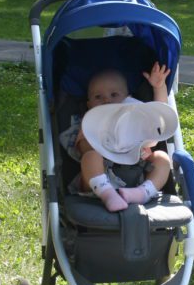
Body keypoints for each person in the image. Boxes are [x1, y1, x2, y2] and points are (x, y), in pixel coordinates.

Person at [60, 62, 174, 212]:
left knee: (162, 158)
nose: (106, 100)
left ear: (128, 98)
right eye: (98, 97)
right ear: (89, 105)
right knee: (91, 156)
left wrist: (159, 87)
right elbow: (83, 147)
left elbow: (159, 119)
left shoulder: (136, 116)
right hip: (98, 179)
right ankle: (108, 194)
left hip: (138, 172)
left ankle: (143, 192)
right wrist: (102, 146)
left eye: (114, 95)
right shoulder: (90, 122)